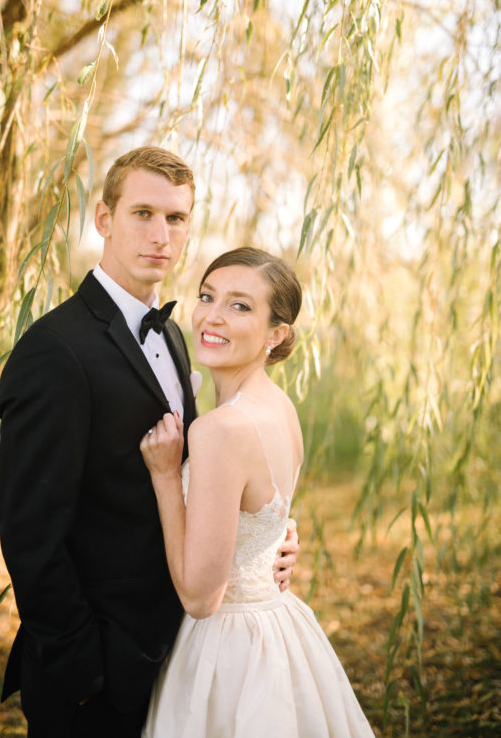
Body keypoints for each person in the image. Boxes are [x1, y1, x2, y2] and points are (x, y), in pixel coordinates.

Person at [0, 150, 298, 738]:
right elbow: (30, 533)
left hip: (176, 653)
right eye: (142, 213)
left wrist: (264, 535)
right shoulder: (54, 351)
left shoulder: (181, 338)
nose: (161, 235)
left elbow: (206, 473)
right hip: (98, 673)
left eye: (177, 218)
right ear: (103, 218)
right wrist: (84, 667)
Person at [140, 247, 376, 738]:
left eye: (240, 305)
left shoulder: (221, 430)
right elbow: (264, 510)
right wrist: (280, 537)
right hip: (278, 626)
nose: (213, 316)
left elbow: (202, 598)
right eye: (208, 296)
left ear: (277, 334)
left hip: (227, 648)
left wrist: (165, 475)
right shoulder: (281, 408)